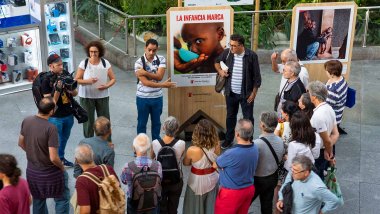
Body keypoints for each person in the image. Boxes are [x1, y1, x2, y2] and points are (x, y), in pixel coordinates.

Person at [18, 97, 70, 214]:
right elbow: (53, 157)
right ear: (51, 111)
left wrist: (33, 152)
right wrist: (61, 167)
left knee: (38, 201)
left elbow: (20, 143)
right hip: (51, 173)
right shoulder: (51, 128)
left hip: (33, 172)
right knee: (62, 199)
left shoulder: (27, 120)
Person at [215, 34, 261, 149]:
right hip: (230, 93)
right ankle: (228, 139)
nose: (231, 48)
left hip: (246, 94)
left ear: (241, 46)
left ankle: (248, 140)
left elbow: (257, 77)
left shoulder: (251, 56)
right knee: (230, 116)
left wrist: (254, 93)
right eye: (230, 45)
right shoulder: (228, 53)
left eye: (234, 46)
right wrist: (220, 71)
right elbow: (216, 62)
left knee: (248, 118)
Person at [213, 119, 259, 214]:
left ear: (237, 134)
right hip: (248, 190)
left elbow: (215, 164)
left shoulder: (231, 153)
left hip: (231, 194)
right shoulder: (255, 147)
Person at [135, 38, 176, 141]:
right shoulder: (138, 62)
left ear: (157, 49)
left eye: (154, 50)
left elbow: (159, 77)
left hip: (157, 98)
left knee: (157, 123)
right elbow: (145, 82)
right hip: (142, 98)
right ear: (145, 48)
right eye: (149, 49)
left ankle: (156, 146)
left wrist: (145, 73)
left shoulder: (161, 59)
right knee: (141, 123)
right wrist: (163, 85)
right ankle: (140, 147)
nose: (151, 52)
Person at [75, 40, 116, 140]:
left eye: (95, 51)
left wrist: (106, 86)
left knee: (105, 120)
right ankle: (89, 142)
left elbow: (113, 79)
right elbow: (77, 80)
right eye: (91, 51)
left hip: (102, 95)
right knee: (88, 121)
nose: (93, 54)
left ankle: (107, 141)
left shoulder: (105, 63)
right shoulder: (84, 63)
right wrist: (88, 81)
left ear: (99, 52)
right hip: (86, 96)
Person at [42, 53, 78, 167]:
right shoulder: (46, 80)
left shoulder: (65, 74)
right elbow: (50, 103)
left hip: (68, 114)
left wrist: (70, 88)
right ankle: (54, 162)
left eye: (62, 64)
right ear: (51, 66)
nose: (62, 67)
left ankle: (60, 158)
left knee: (64, 139)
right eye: (59, 65)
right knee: (54, 142)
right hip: (55, 117)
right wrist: (58, 89)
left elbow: (75, 93)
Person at [277, 155, 342, 214]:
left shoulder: (316, 187)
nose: (292, 172)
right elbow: (286, 184)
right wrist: (281, 199)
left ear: (306, 172)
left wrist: (322, 211)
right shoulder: (294, 171)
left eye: (295, 171)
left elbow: (335, 201)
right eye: (292, 169)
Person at [182, 119, 220, 214]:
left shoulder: (192, 150)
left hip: (196, 181)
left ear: (197, 133)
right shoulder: (217, 145)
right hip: (213, 178)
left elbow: (185, 163)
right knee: (211, 204)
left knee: (194, 207)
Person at [151, 116, 185, 214]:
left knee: (161, 207)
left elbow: (152, 159)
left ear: (163, 128)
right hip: (176, 180)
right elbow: (181, 159)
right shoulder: (181, 143)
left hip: (160, 180)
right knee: (173, 207)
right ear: (177, 129)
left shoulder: (155, 143)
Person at [121, 133, 162, 214]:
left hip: (134, 202)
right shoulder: (157, 165)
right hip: (152, 201)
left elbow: (124, 181)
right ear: (149, 148)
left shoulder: (128, 166)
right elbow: (160, 179)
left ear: (134, 148)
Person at [252, 112, 285, 214]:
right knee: (267, 205)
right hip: (272, 177)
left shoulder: (256, 144)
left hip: (257, 179)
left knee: (245, 203)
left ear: (262, 125)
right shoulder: (280, 141)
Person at [74, 144, 119, 214]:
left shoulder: (82, 181)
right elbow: (118, 188)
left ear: (76, 160)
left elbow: (85, 211)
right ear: (93, 156)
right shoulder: (107, 168)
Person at [308, 81, 339, 179]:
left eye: (309, 93)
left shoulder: (318, 116)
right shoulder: (329, 108)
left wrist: (327, 150)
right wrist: (328, 149)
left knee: (315, 176)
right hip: (324, 149)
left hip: (318, 153)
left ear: (314, 97)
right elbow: (335, 134)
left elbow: (326, 140)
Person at [325, 60, 348, 134]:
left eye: (326, 71)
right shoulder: (341, 78)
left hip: (332, 117)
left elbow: (325, 105)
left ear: (332, 74)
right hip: (338, 111)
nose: (325, 72)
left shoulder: (333, 90)